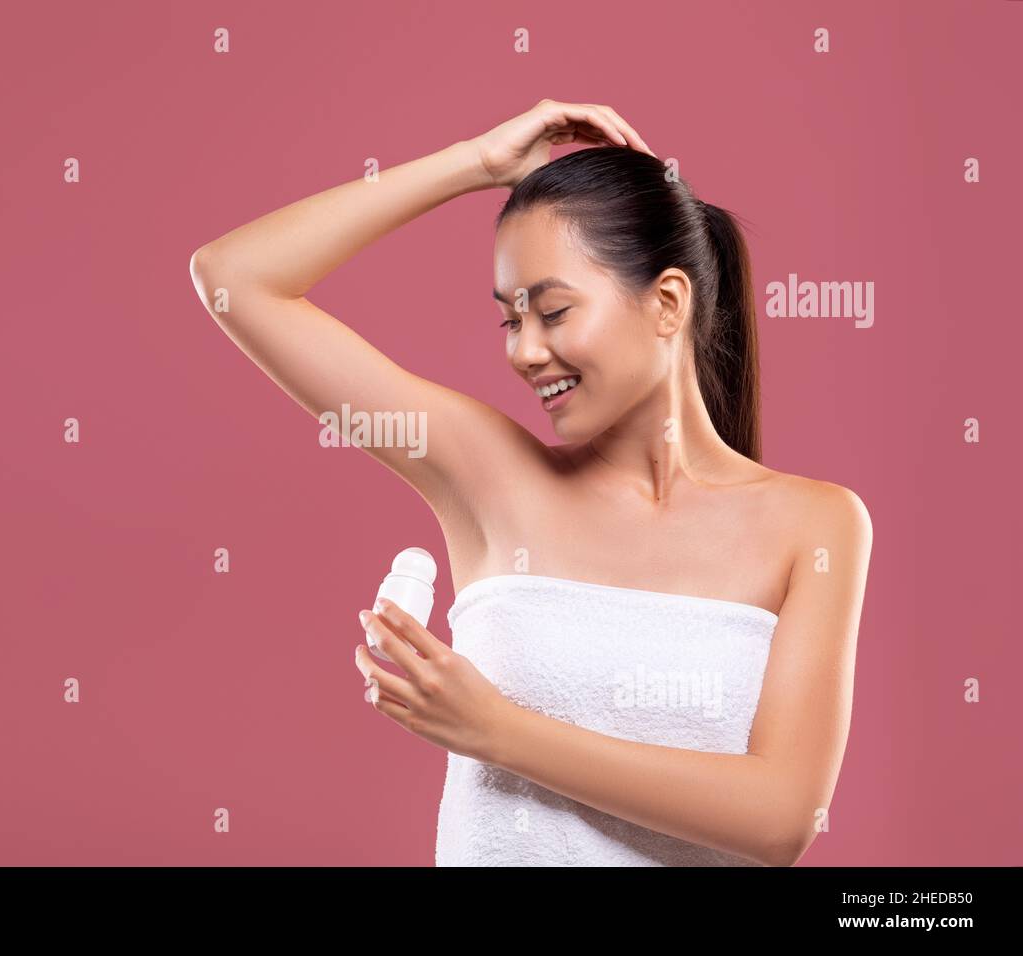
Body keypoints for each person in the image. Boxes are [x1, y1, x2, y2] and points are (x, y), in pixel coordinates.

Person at [190, 99, 873, 866]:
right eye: (511, 320)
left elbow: (781, 819)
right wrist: (475, 165)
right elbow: (235, 279)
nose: (525, 351)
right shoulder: (488, 477)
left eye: (552, 311)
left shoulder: (815, 526)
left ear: (668, 303)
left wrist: (496, 731)